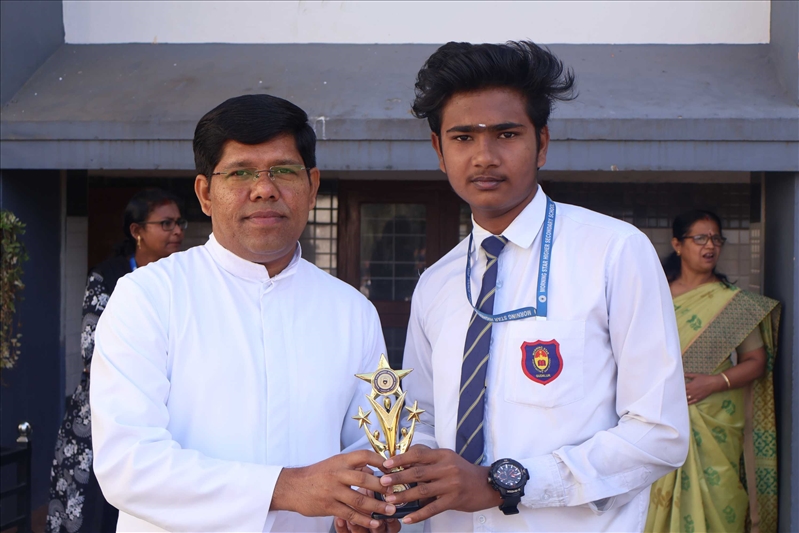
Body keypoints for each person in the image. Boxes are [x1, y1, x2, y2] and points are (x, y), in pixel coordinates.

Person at [373, 41, 690, 532]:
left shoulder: (614, 252)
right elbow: (425, 422)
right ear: (439, 150)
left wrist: (506, 483)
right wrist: (394, 493)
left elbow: (660, 434)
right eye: (463, 137)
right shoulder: (436, 282)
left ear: (541, 143)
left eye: (506, 134)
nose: (484, 156)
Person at [90, 94, 399, 532]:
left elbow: (376, 445)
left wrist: (368, 504)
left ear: (312, 187)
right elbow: (128, 464)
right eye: (240, 173)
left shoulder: (352, 311)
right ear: (205, 194)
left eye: (284, 171)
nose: (264, 189)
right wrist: (284, 488)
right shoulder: (148, 297)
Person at [47, 189, 186, 533]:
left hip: (171, 407)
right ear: (137, 231)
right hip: (103, 409)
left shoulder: (184, 279)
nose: (177, 231)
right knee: (95, 508)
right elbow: (92, 351)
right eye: (166, 224)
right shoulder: (107, 276)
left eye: (179, 223)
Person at [645, 210, 780, 533]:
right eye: (700, 238)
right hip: (657, 413)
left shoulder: (732, 303)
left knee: (721, 498)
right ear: (678, 245)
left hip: (714, 413)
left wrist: (714, 383)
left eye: (716, 239)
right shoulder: (654, 295)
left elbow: (756, 362)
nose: (710, 246)